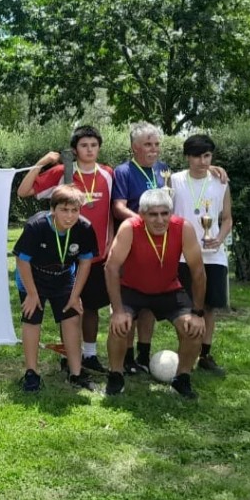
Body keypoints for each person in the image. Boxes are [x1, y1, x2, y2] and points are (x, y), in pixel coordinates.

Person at [17, 125, 114, 373]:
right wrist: (42, 163)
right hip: (60, 256)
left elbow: (117, 208)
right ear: (75, 149)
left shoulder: (108, 174)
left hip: (96, 253)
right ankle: (45, 367)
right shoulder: (63, 172)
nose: (89, 150)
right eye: (84, 145)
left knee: (87, 308)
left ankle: (86, 358)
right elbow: (24, 191)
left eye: (94, 145)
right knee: (62, 309)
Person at [104, 189, 207, 398]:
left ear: (171, 213)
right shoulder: (129, 228)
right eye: (153, 214)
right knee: (119, 326)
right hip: (132, 289)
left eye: (164, 213)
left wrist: (198, 313)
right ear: (141, 215)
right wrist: (117, 310)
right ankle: (115, 375)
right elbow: (111, 268)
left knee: (193, 330)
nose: (160, 220)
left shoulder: (183, 228)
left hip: (168, 289)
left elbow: (198, 271)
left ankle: (182, 378)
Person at [12, 185, 99, 392]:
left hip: (63, 278)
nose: (69, 216)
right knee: (32, 318)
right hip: (33, 278)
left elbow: (85, 263)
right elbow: (22, 261)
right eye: (64, 210)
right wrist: (32, 294)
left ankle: (75, 372)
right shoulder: (36, 226)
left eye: (74, 210)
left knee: (71, 318)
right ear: (53, 210)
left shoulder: (85, 228)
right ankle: (32, 373)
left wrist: (75, 295)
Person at [111, 122, 171, 374]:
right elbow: (118, 207)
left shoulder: (164, 170)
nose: (154, 149)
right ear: (135, 147)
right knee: (131, 305)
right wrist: (142, 222)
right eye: (148, 144)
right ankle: (127, 358)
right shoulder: (123, 171)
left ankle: (144, 355)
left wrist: (213, 168)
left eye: (156, 144)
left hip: (160, 247)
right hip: (132, 244)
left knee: (150, 302)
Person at [171, 134, 233, 375]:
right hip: (183, 255)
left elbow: (227, 218)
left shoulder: (221, 182)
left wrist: (218, 239)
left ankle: (205, 355)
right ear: (187, 157)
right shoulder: (175, 180)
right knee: (185, 308)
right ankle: (186, 352)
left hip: (213, 255)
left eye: (207, 156)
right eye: (197, 156)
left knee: (209, 307)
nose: (202, 161)